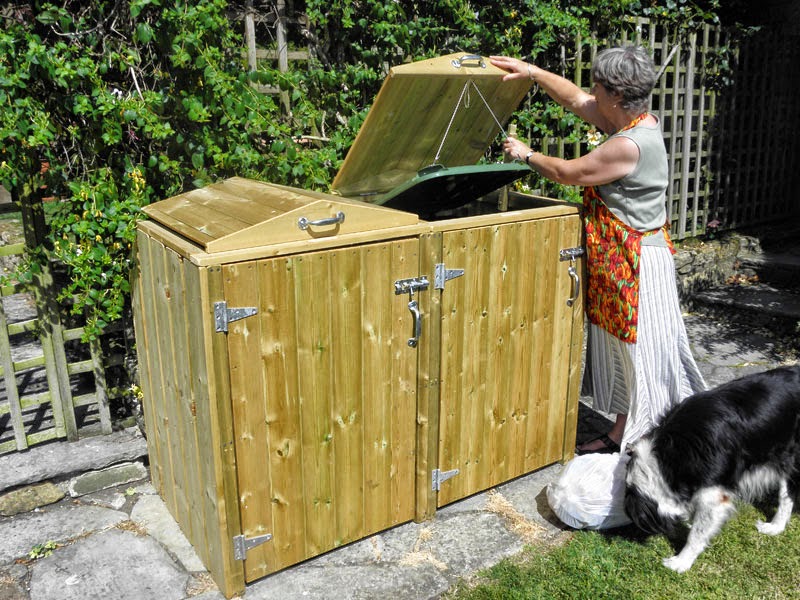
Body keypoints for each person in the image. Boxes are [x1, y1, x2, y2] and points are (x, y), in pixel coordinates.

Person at [489, 47, 706, 457]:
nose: (592, 91)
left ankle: (665, 443)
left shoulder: (629, 144)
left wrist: (526, 154)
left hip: (639, 264)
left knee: (645, 353)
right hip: (620, 259)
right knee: (624, 353)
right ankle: (624, 431)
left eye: (599, 86)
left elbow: (568, 173)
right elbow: (575, 99)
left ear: (616, 95)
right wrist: (531, 72)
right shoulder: (636, 120)